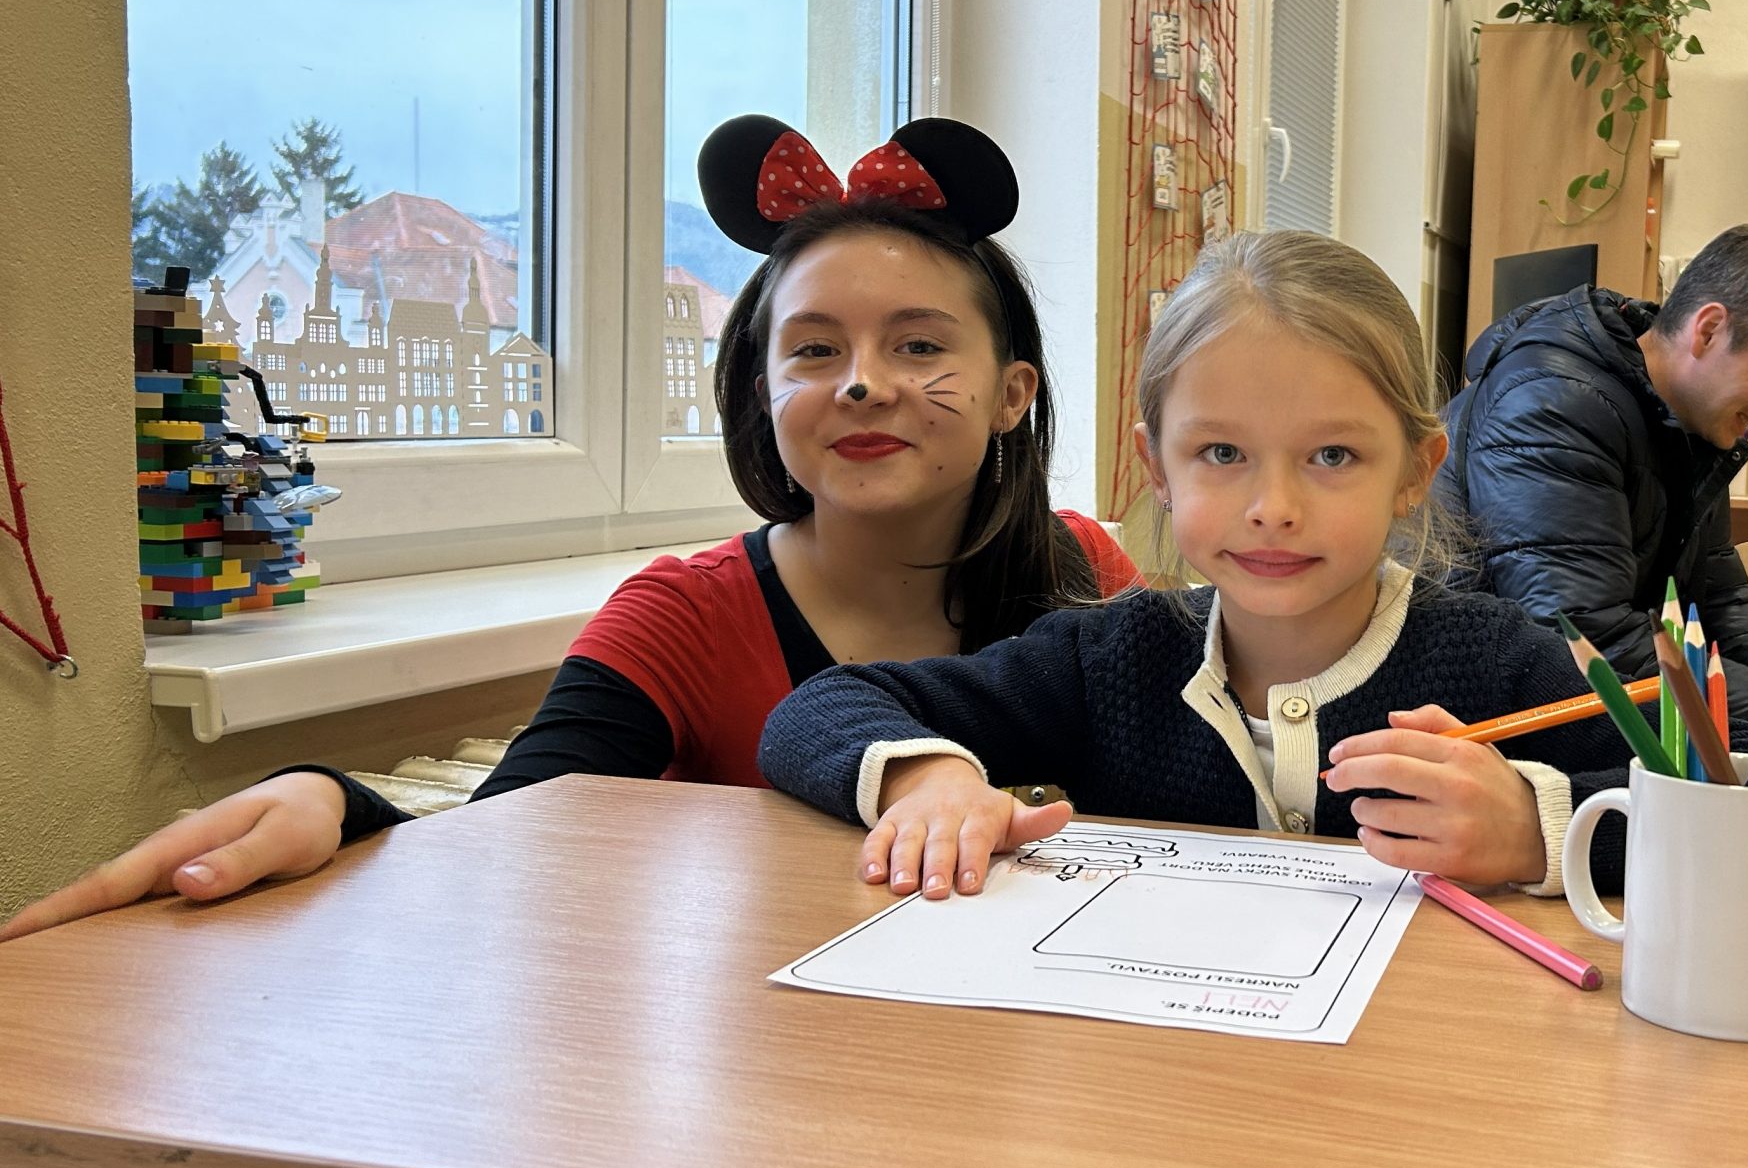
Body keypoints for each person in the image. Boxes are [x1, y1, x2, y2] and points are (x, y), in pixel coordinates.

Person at [1, 115, 1138, 943]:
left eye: (920, 345)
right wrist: (335, 805)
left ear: (1013, 394)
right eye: (813, 349)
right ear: (759, 393)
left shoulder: (1088, 573)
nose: (861, 383)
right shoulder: (683, 618)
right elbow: (502, 844)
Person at [759, 229, 1634, 903]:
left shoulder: (1498, 659)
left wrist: (1536, 827)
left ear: (1415, 470)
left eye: (1332, 456)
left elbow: (1694, 795)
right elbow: (818, 709)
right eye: (1221, 453)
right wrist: (929, 779)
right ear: (1158, 469)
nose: (1273, 507)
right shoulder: (1105, 658)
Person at [1433, 224, 1748, 798]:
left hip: (1565, 710)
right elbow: (1586, 642)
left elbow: (1723, 613)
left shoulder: (1688, 422)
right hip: (1481, 723)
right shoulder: (1552, 403)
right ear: (1709, 329)